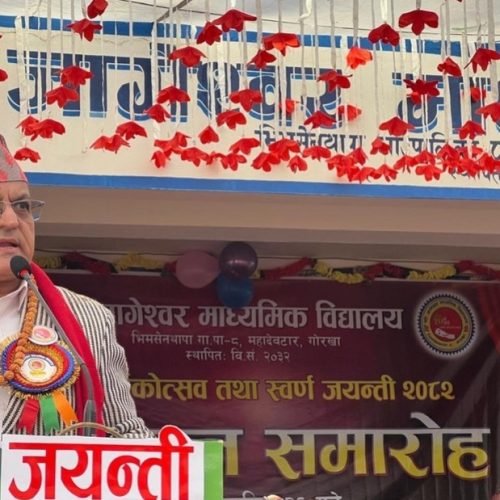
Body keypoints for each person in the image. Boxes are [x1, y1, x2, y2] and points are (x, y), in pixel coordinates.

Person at [0, 135, 152, 438]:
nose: (12, 221)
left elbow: (122, 433)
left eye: (22, 206)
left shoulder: (87, 318)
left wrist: (176, 461)